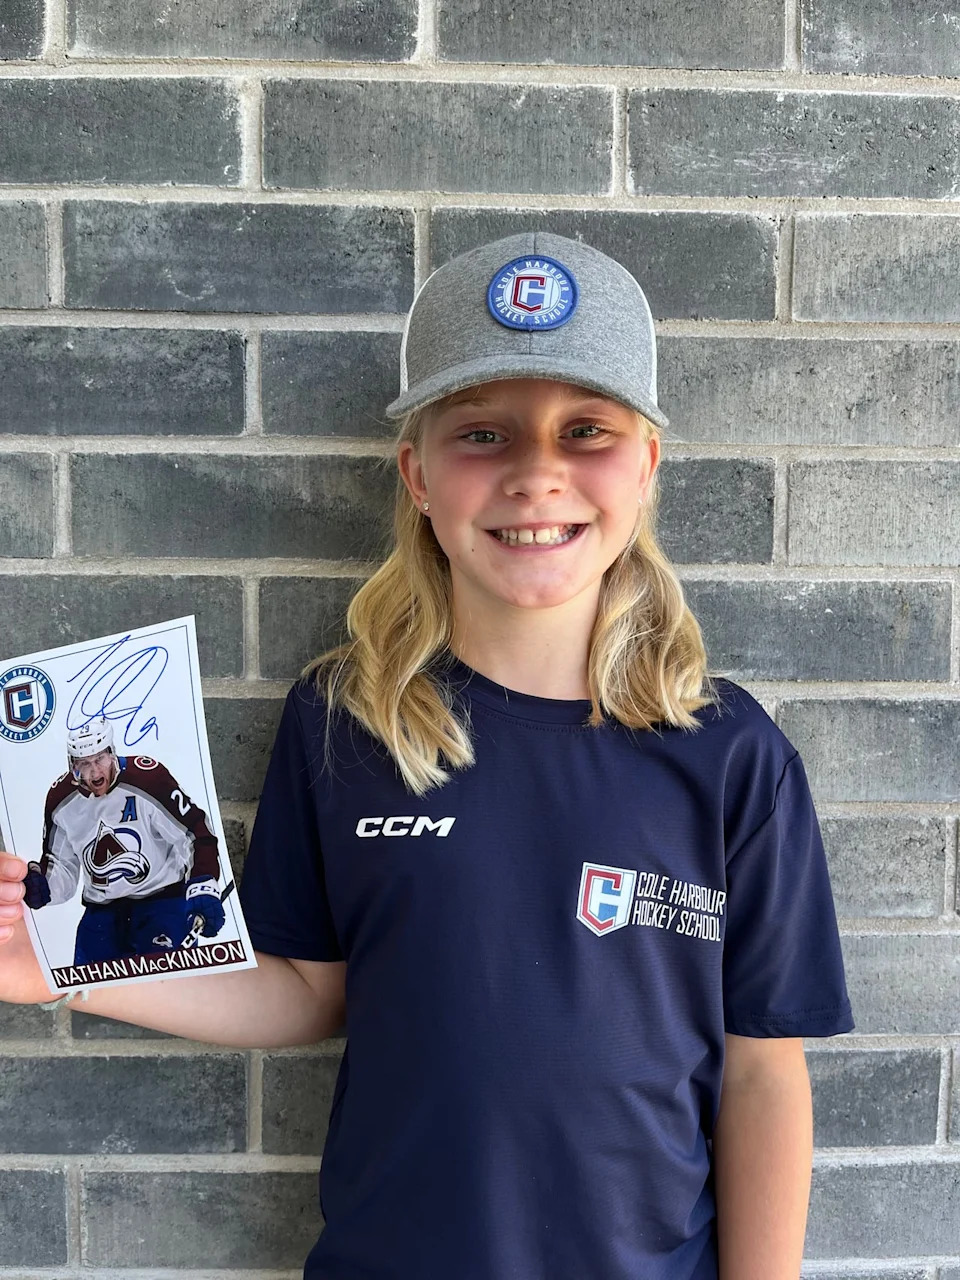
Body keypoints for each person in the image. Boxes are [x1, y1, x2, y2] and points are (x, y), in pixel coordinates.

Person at [0, 232, 854, 1280]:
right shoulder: (343, 720)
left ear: (645, 465)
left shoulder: (730, 751)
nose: (538, 473)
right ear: (417, 473)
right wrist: (63, 961)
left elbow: (765, 1071)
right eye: (483, 433)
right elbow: (307, 989)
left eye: (585, 431)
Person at [23, 717, 226, 961]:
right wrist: (41, 886)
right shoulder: (61, 799)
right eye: (84, 763)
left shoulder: (149, 780)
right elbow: (61, 866)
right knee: (90, 996)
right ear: (72, 764)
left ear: (111, 753)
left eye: (99, 759)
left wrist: (202, 886)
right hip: (102, 913)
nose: (94, 771)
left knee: (166, 993)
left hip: (163, 902)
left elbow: (195, 833)